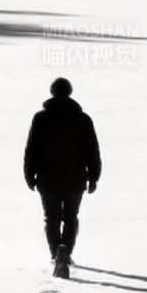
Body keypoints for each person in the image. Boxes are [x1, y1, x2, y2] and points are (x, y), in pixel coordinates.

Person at [23, 77, 101, 278]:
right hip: (75, 179)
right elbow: (92, 150)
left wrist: (29, 174)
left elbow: (32, 149)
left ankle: (55, 252)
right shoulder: (83, 119)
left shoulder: (40, 119)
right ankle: (65, 250)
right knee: (70, 217)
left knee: (51, 218)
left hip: (47, 179)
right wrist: (94, 176)